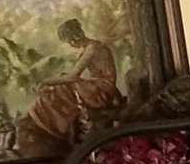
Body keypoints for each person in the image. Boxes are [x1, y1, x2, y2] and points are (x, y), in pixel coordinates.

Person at [20, 19, 124, 155]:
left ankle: (51, 122)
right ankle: (53, 119)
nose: (70, 44)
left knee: (63, 86)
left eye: (68, 41)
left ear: (75, 37)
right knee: (62, 82)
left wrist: (46, 82)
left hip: (102, 88)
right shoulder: (93, 46)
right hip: (99, 86)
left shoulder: (92, 49)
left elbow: (73, 76)